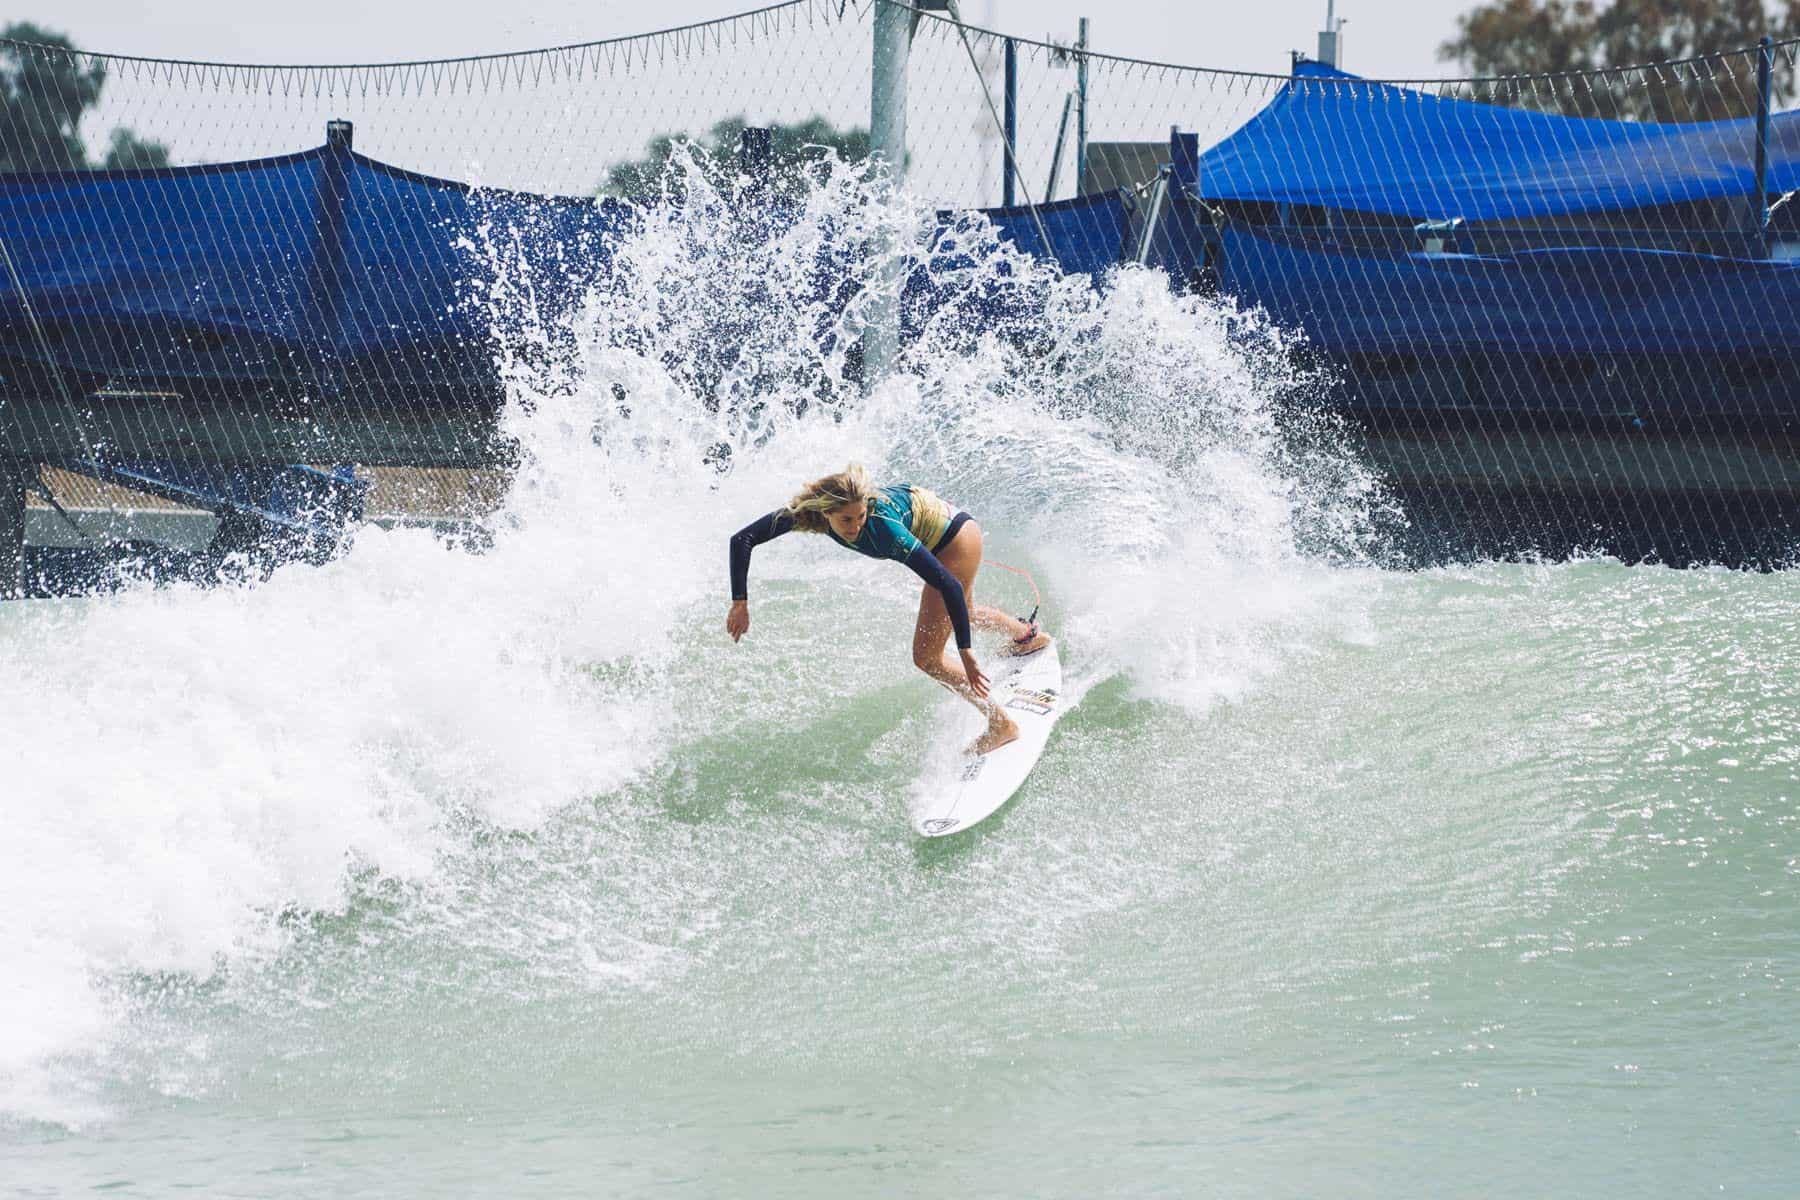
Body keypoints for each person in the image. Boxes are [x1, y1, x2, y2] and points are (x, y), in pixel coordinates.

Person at [727, 463, 1051, 754]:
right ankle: (1026, 636)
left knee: (927, 657)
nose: (855, 526)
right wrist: (740, 602)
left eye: (860, 516)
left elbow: (949, 585)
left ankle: (1001, 724)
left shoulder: (883, 530)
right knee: (957, 612)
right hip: (954, 527)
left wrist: (966, 653)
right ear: (825, 512)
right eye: (846, 520)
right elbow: (742, 539)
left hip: (955, 540)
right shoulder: (806, 512)